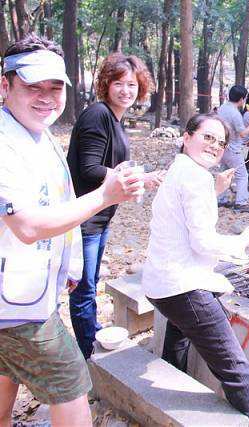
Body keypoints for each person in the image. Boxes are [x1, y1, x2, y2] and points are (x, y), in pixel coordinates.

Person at [0, 34, 143, 427]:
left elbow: (60, 195)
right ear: (5, 85)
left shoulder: (37, 133)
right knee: (72, 382)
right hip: (17, 306)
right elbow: (28, 225)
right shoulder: (5, 143)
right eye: (33, 86)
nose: (46, 97)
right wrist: (106, 194)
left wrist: (70, 264)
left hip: (28, 291)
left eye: (55, 87)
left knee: (7, 367)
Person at [142, 113, 249, 427]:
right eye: (208, 137)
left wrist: (214, 190)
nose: (215, 146)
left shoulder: (181, 169)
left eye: (220, 142)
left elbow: (184, 212)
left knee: (178, 339)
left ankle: (168, 407)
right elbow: (202, 242)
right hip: (181, 287)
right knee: (237, 370)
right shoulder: (196, 177)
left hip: (159, 284)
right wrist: (244, 239)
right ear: (187, 137)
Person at [66, 52, 159, 359]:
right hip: (84, 219)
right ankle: (89, 354)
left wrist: (141, 177)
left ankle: (90, 338)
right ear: (106, 84)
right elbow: (89, 169)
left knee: (90, 283)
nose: (125, 90)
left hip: (100, 217)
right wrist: (135, 177)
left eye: (132, 84)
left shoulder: (116, 120)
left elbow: (111, 168)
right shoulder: (98, 115)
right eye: (119, 83)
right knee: (83, 289)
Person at [217, 84, 249, 212]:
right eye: (245, 98)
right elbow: (243, 133)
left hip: (222, 146)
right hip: (233, 149)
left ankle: (221, 199)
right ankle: (241, 203)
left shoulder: (222, 108)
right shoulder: (235, 114)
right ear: (241, 99)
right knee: (242, 175)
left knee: (225, 173)